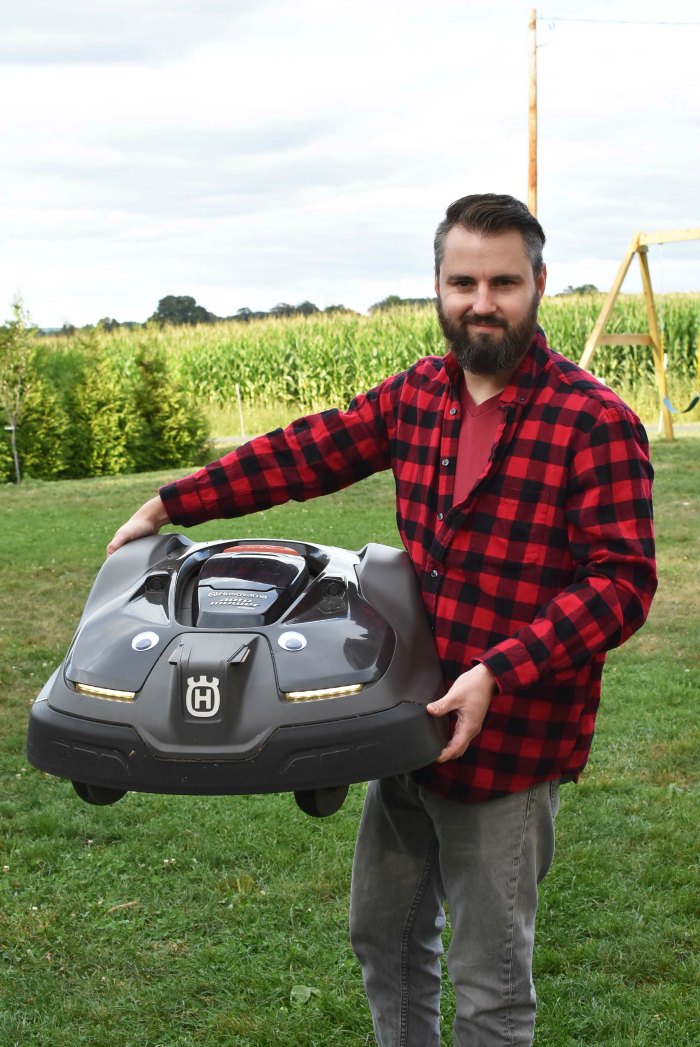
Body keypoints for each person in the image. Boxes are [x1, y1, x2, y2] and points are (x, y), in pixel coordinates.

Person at [107, 194, 657, 1046]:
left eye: (504, 281)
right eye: (463, 280)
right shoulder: (420, 396)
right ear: (437, 286)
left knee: (491, 986)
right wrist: (172, 502)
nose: (483, 301)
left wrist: (496, 671)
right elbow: (305, 451)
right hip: (401, 722)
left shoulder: (593, 421)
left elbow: (622, 582)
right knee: (386, 937)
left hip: (509, 741)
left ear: (539, 284)